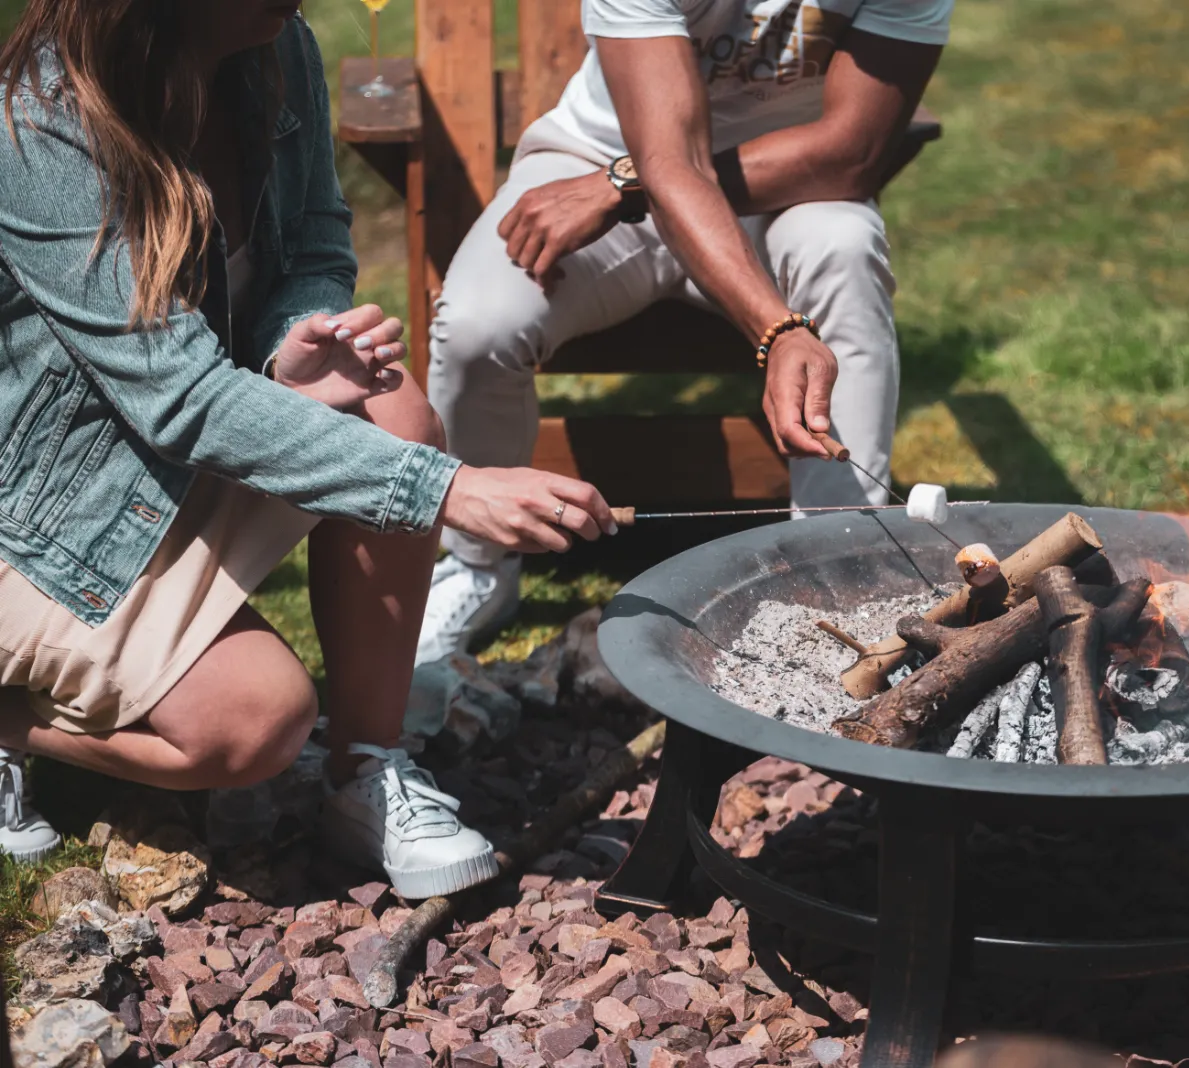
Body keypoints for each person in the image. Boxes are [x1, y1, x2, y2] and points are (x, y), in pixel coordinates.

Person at [0, 0, 618, 897]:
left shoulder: (271, 45)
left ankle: (366, 770)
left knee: (392, 408)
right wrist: (449, 492)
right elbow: (176, 398)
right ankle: (14, 722)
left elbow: (319, 242)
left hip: (171, 454)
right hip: (49, 521)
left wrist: (293, 344)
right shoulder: (38, 127)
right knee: (254, 725)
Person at [415, 0, 952, 665]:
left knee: (844, 245)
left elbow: (852, 154)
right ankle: (478, 566)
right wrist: (777, 326)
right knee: (476, 326)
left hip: (780, 184)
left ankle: (839, 574)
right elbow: (671, 159)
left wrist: (621, 187)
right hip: (596, 163)